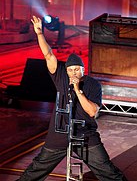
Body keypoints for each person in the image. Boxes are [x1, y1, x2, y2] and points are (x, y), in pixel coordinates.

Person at [17, 16, 128, 181]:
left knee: (108, 172)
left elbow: (92, 112)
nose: (74, 73)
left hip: (85, 136)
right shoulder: (61, 76)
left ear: (83, 70)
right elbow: (49, 55)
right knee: (35, 171)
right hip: (59, 134)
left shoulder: (92, 85)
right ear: (66, 70)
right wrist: (40, 33)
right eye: (71, 70)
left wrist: (77, 90)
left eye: (77, 69)